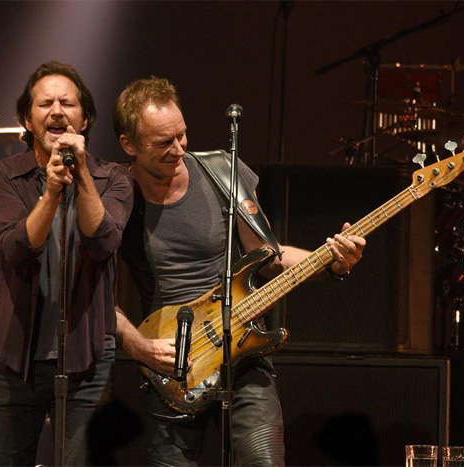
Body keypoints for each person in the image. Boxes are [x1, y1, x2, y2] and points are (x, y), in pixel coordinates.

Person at [112, 76, 366, 466]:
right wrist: (136, 345)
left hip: (243, 347)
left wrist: (332, 261)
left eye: (182, 135)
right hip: (172, 363)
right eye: (163, 142)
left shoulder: (223, 172)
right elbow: (92, 293)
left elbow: (270, 256)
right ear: (129, 144)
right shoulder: (117, 195)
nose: (179, 149)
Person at [0, 61, 133, 466]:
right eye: (45, 103)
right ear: (26, 119)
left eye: (67, 103)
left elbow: (103, 242)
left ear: (85, 119)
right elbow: (17, 250)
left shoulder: (114, 178)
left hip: (87, 362)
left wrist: (80, 174)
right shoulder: (3, 177)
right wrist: (49, 193)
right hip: (14, 361)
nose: (57, 111)